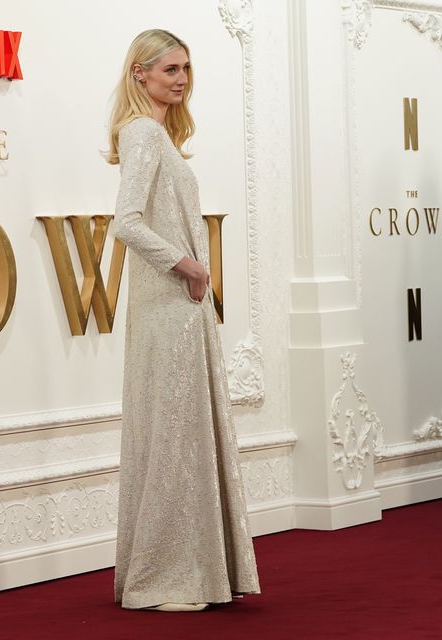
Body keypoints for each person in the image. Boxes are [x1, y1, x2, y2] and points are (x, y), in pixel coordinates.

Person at [107, 29, 261, 613]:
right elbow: (125, 222)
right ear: (139, 73)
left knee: (177, 434)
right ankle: (167, 574)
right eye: (169, 68)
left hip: (175, 305)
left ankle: (189, 569)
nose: (180, 78)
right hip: (168, 304)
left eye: (186, 69)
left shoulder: (156, 134)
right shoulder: (142, 133)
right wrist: (188, 263)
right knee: (173, 435)